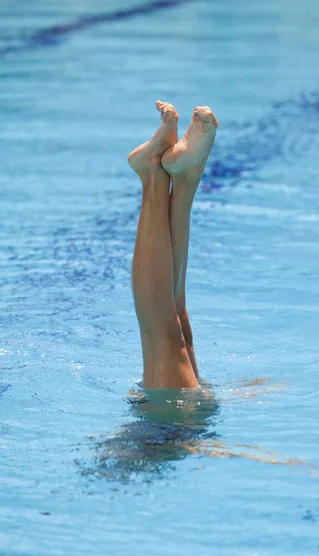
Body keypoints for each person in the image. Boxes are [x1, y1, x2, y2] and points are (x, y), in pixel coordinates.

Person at [128, 101, 219, 389]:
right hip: (176, 421)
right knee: (166, 328)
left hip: (183, 419)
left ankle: (186, 178)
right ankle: (157, 176)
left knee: (176, 323)